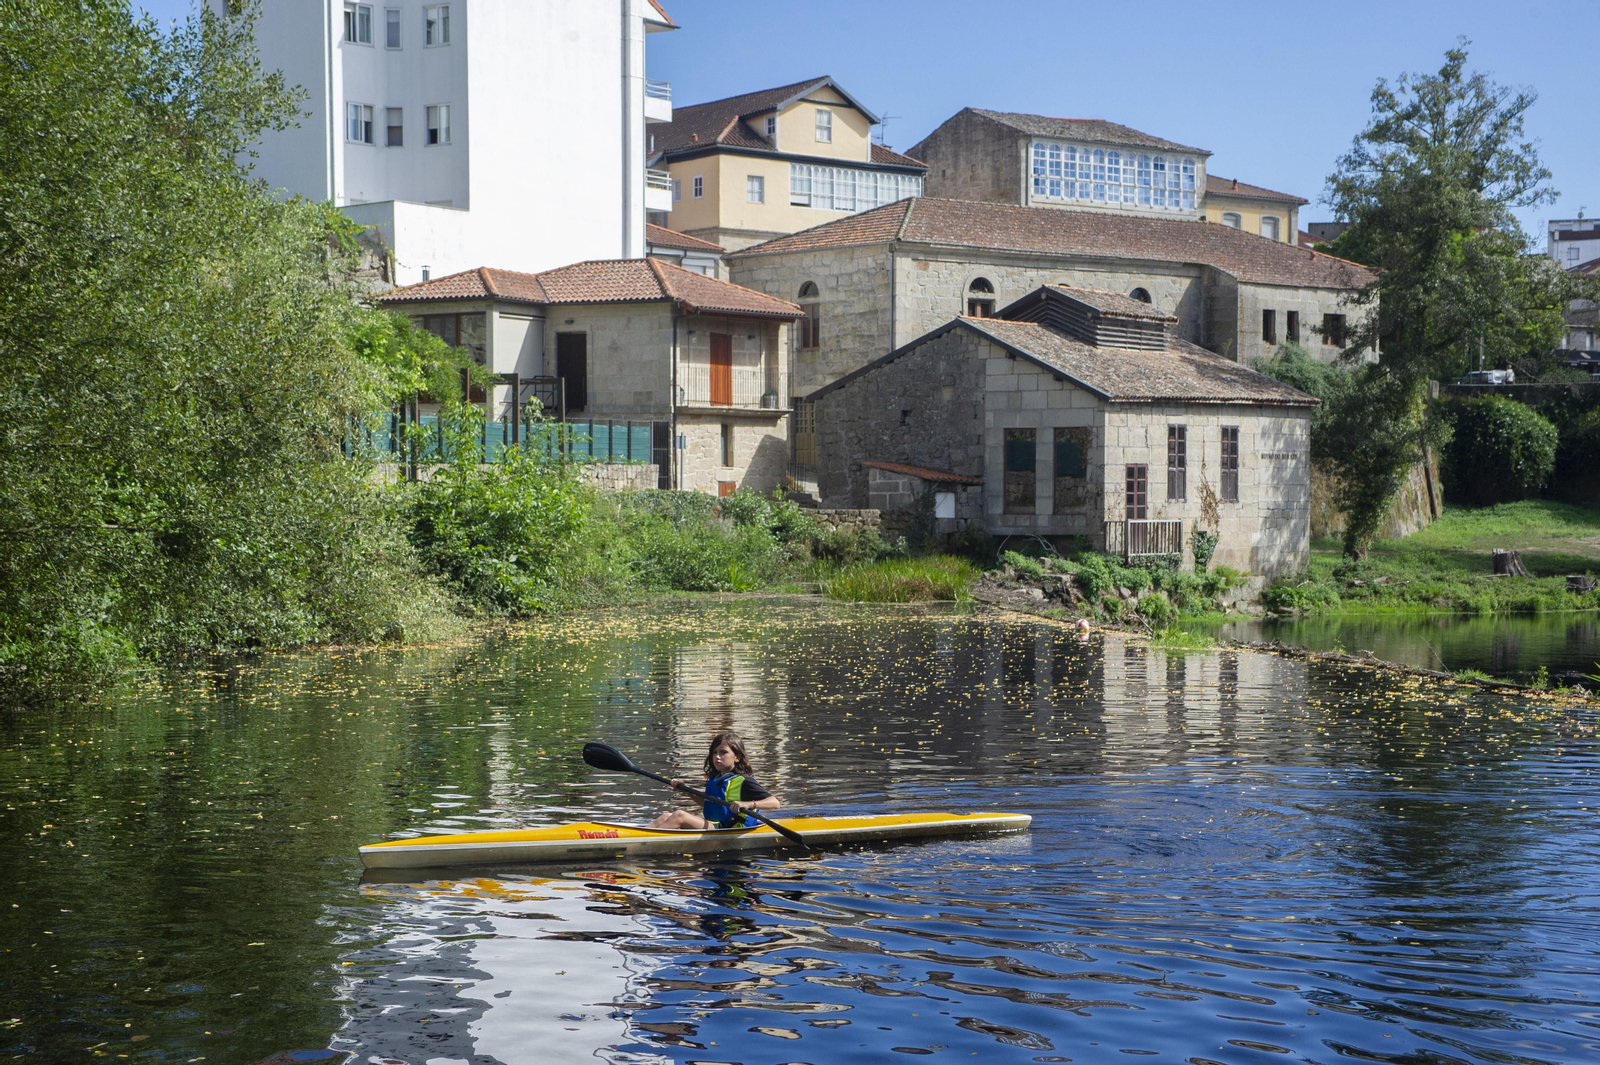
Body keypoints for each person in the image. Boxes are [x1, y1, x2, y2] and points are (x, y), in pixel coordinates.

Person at [648, 731, 781, 830]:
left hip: (730, 828)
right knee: (666, 816)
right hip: (715, 825)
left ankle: (646, 842)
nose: (717, 757)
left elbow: (775, 803)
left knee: (679, 815)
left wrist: (748, 804)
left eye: (723, 752)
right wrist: (686, 790)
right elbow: (708, 804)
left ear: (737, 757)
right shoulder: (716, 778)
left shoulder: (744, 781)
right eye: (714, 752)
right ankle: (640, 836)